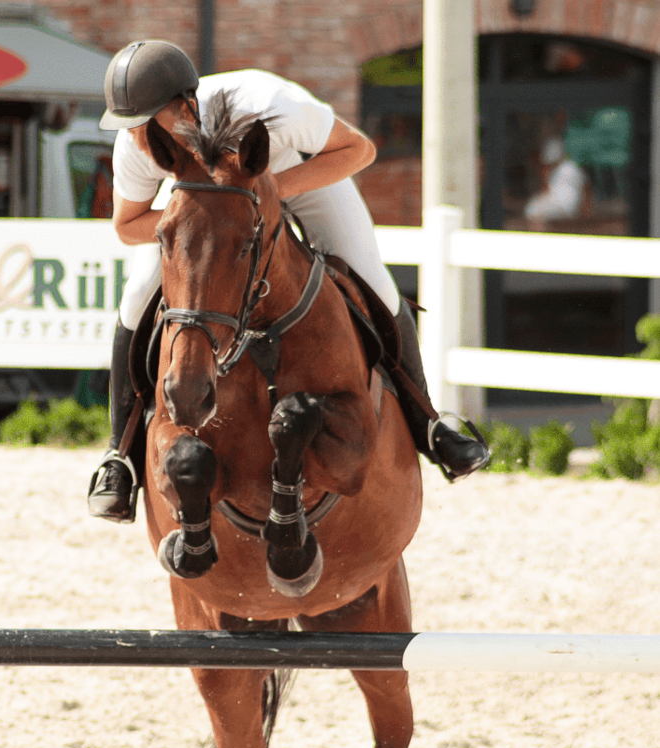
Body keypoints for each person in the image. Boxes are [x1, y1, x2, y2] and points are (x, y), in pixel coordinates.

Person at [88, 40, 489, 522]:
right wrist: (198, 218)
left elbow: (359, 150)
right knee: (135, 298)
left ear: (187, 105)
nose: (136, 138)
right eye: (128, 124)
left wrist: (265, 192)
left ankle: (429, 424)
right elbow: (127, 225)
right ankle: (120, 454)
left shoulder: (269, 103)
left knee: (370, 274)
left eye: (147, 121)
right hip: (207, 209)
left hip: (299, 177)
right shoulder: (138, 145)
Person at [524, 136, 586, 229]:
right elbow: (547, 192)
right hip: (561, 205)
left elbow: (584, 189)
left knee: (534, 210)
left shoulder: (568, 168)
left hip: (564, 208)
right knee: (532, 208)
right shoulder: (563, 168)